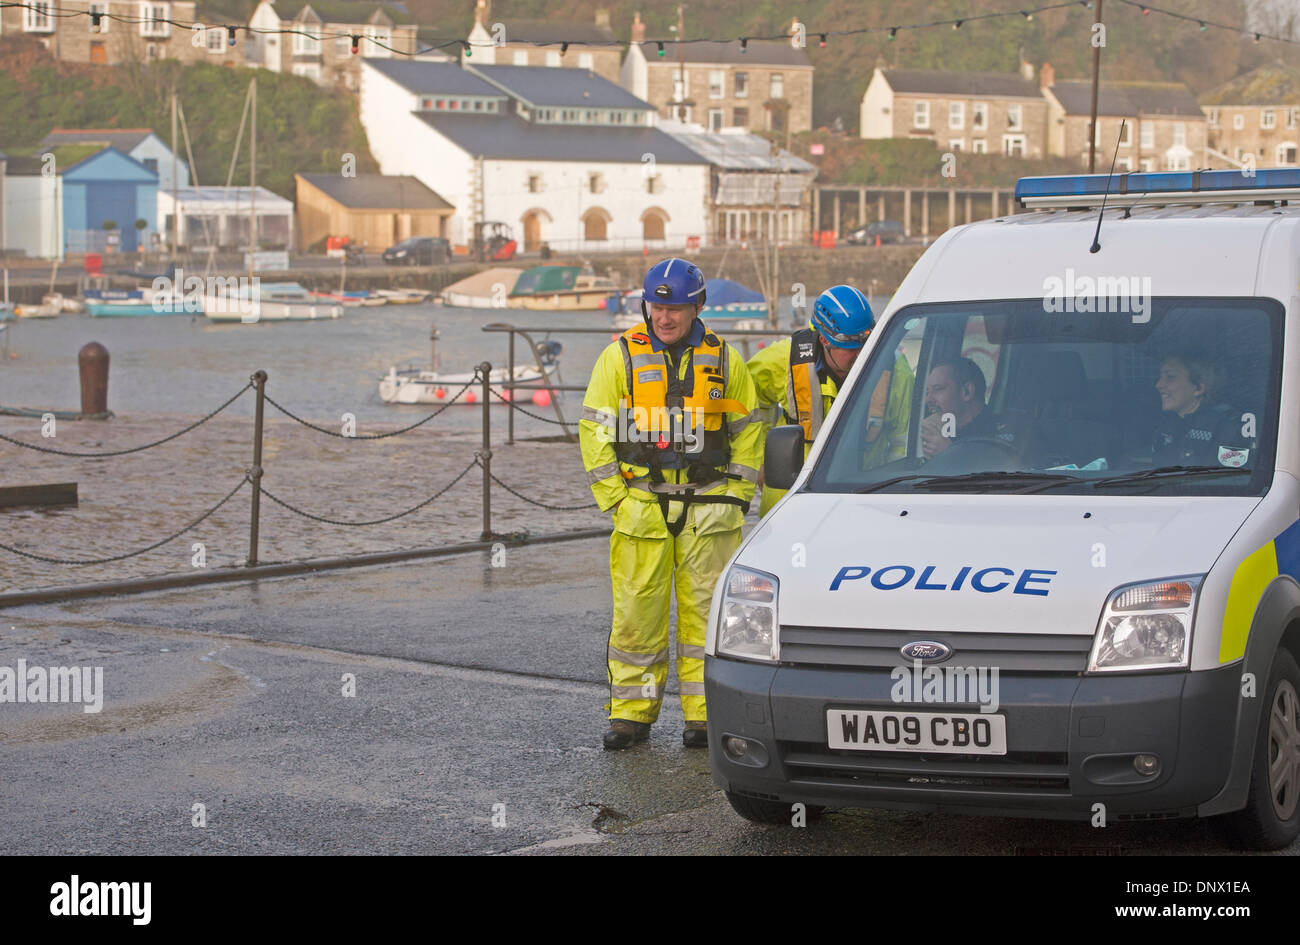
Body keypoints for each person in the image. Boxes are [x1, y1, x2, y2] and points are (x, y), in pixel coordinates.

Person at [579, 258, 762, 750]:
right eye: (658, 306)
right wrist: (614, 499)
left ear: (697, 306)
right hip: (641, 507)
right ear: (645, 305)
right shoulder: (619, 357)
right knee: (637, 617)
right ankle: (632, 717)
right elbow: (595, 428)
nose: (665, 317)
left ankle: (704, 717)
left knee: (708, 618)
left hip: (711, 509)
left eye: (675, 307)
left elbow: (748, 431)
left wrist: (739, 495)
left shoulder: (724, 360)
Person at [747, 285, 914, 516]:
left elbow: (903, 441)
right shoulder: (783, 361)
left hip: (867, 498)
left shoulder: (897, 370)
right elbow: (747, 406)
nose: (861, 355)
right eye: (852, 349)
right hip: (789, 499)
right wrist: (761, 461)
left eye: (866, 345)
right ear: (825, 340)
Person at [1151, 351, 1254, 468]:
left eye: (1170, 377)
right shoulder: (1166, 424)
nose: (1158, 385)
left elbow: (1230, 479)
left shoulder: (1225, 427)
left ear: (1198, 388)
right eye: (1160, 377)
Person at [920, 357, 1003, 458]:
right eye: (927, 392)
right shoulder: (945, 432)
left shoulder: (999, 436)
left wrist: (948, 455)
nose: (927, 400)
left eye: (938, 389)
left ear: (966, 392)